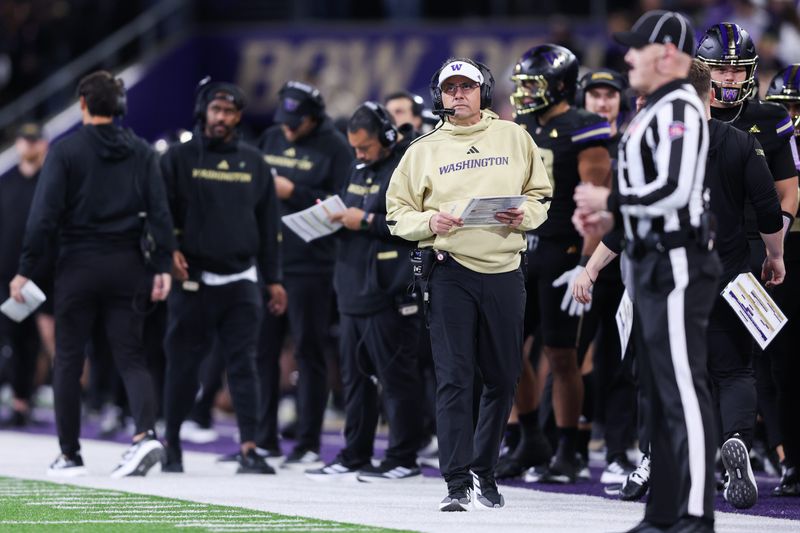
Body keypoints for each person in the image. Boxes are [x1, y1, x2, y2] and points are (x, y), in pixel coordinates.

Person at [573, 11, 719, 532]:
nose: (628, 56)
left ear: (668, 55)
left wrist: (611, 198)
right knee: (657, 394)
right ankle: (662, 515)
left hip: (679, 259)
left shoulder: (680, 105)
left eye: (638, 48)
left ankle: (698, 516)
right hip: (651, 259)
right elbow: (648, 197)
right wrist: (607, 214)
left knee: (682, 390)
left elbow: (677, 190)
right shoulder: (656, 108)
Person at [386, 57, 552, 511]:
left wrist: (527, 215)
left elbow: (541, 195)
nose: (459, 94)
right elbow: (396, 214)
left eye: (467, 86)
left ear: (484, 91)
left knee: (503, 376)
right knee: (455, 379)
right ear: (439, 95)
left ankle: (485, 469)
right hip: (450, 270)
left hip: (504, 270)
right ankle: (457, 481)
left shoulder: (515, 137)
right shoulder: (422, 149)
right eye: (450, 88)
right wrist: (429, 220)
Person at [9, 70, 173, 478]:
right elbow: (160, 214)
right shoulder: (141, 151)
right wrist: (162, 265)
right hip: (128, 265)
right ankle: (145, 435)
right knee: (132, 356)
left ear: (82, 103)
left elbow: (43, 218)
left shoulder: (65, 152)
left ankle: (70, 454)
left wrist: (26, 269)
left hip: (78, 266)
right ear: (118, 106)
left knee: (67, 358)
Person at [159, 78, 286, 475]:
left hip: (241, 280)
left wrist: (274, 278)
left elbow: (268, 226)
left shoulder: (253, 162)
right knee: (182, 365)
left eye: (229, 112)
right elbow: (159, 213)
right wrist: (167, 254)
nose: (221, 118)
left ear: (238, 117)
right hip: (192, 281)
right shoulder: (177, 159)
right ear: (203, 112)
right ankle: (173, 443)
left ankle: (249, 447)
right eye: (216, 110)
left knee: (244, 365)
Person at [505, 43, 612, 484]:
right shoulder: (519, 126)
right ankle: (528, 437)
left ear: (563, 86)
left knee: (562, 354)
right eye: (523, 85)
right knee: (508, 350)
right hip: (521, 247)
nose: (527, 93)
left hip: (564, 250)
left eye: (536, 84)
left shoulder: (585, 127)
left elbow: (594, 204)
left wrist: (586, 263)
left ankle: (569, 445)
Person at [305, 102, 424, 482]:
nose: (358, 155)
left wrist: (367, 220)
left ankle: (403, 456)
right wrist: (333, 215)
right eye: (354, 148)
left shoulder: (408, 166)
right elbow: (350, 208)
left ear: (387, 138)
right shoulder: (357, 167)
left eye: (365, 148)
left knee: (396, 378)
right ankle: (355, 452)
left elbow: (420, 223)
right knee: (355, 381)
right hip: (352, 287)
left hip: (389, 290)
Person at [256, 81, 353, 469]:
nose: (288, 129)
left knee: (308, 351)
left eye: (296, 122)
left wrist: (292, 190)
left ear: (315, 118)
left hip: (312, 263)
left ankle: (308, 441)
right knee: (263, 351)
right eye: (285, 121)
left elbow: (343, 203)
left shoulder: (336, 148)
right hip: (268, 260)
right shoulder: (270, 137)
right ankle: (262, 440)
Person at [575, 68, 639, 485]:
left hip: (624, 263)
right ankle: (569, 446)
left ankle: (617, 450)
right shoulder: (574, 141)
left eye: (609, 95)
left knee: (620, 359)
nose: (603, 101)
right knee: (568, 355)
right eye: (595, 95)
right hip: (579, 260)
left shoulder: (632, 142)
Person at [0, 123, 51, 428]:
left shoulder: (50, 183)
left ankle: (25, 400)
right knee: (10, 337)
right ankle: (18, 399)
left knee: (35, 341)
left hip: (40, 276)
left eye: (34, 140)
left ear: (43, 144)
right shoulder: (6, 183)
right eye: (24, 139)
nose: (29, 145)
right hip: (4, 274)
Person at [764, 65, 800, 497]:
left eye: (797, 106)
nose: (791, 114)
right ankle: (789, 459)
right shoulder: (764, 139)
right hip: (781, 256)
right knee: (781, 366)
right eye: (785, 107)